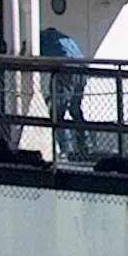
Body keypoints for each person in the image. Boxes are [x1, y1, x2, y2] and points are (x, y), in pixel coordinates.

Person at [40, 26, 91, 158]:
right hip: (82, 67)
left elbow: (34, 58)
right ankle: (85, 145)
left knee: (57, 112)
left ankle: (65, 148)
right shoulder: (61, 39)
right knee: (75, 109)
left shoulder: (41, 39)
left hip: (65, 68)